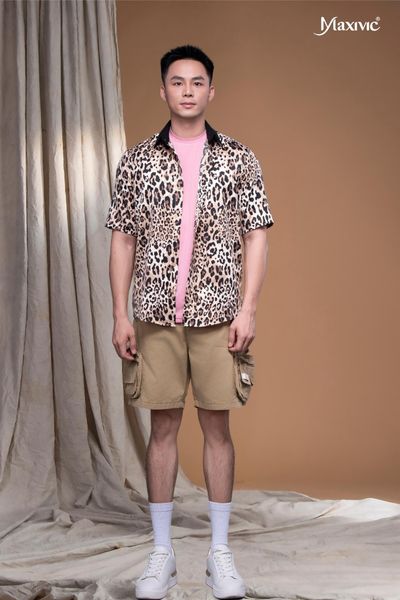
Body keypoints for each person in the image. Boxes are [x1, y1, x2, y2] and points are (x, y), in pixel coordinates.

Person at [105, 44, 275, 600]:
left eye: (196, 82)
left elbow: (256, 235)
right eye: (176, 82)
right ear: (163, 91)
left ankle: (220, 555)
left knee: (217, 428)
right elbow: (122, 239)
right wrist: (120, 313)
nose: (186, 90)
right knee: (162, 428)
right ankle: (162, 555)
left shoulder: (239, 159)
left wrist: (248, 308)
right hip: (154, 315)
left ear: (210, 91)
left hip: (217, 315)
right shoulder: (136, 161)